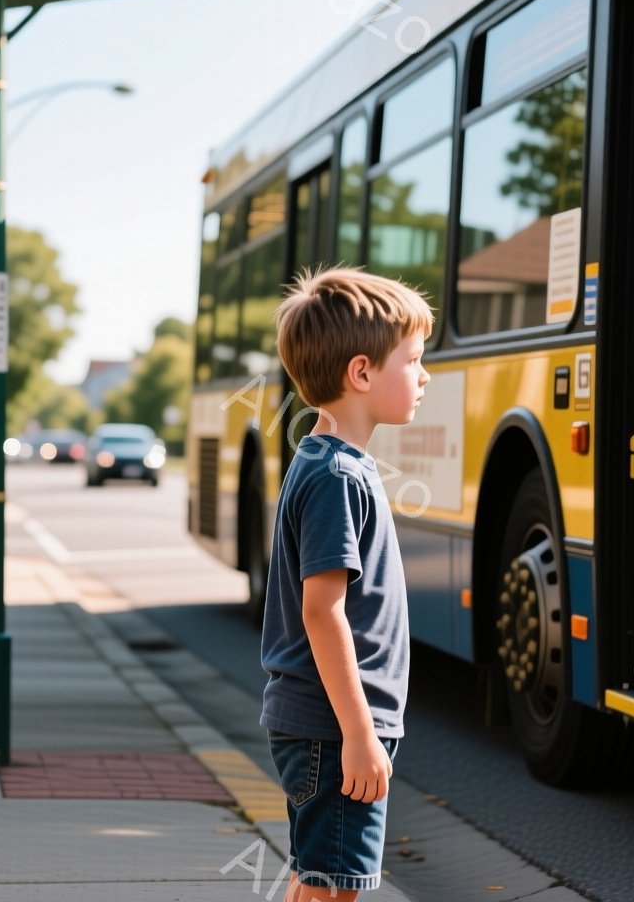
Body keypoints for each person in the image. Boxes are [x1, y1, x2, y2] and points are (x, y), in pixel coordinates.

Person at [260, 267, 432, 901]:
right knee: (334, 888)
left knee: (320, 882)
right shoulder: (338, 476)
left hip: (326, 725)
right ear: (361, 372)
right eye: (412, 360)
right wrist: (359, 735)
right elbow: (322, 611)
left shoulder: (327, 461)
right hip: (333, 729)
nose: (424, 376)